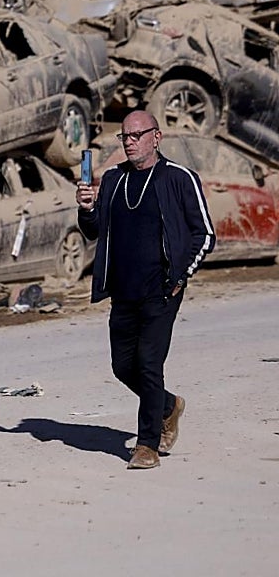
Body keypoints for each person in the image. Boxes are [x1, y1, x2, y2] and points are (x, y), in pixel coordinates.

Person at [75, 111, 215, 470]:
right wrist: (87, 208)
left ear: (157, 137)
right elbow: (94, 231)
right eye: (125, 136)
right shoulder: (112, 180)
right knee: (123, 367)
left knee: (150, 365)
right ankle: (168, 406)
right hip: (123, 291)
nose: (131, 141)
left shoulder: (179, 179)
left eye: (138, 134)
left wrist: (181, 276)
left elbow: (206, 234)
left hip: (162, 290)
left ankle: (147, 444)